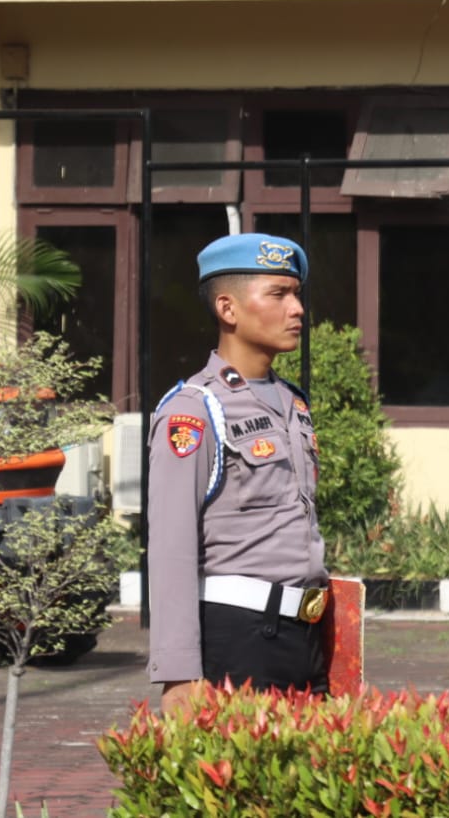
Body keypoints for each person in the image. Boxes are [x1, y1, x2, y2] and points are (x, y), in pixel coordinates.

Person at [147, 233, 326, 714]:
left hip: (306, 636)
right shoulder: (194, 409)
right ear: (228, 309)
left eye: (297, 294)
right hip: (240, 636)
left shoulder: (292, 403)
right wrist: (178, 671)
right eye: (278, 294)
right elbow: (171, 547)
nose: (297, 309)